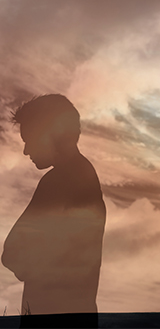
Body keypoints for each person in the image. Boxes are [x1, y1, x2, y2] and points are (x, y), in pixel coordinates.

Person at [2, 94, 106, 328]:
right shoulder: (85, 177)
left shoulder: (58, 182)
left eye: (29, 140)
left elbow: (11, 253)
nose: (26, 151)